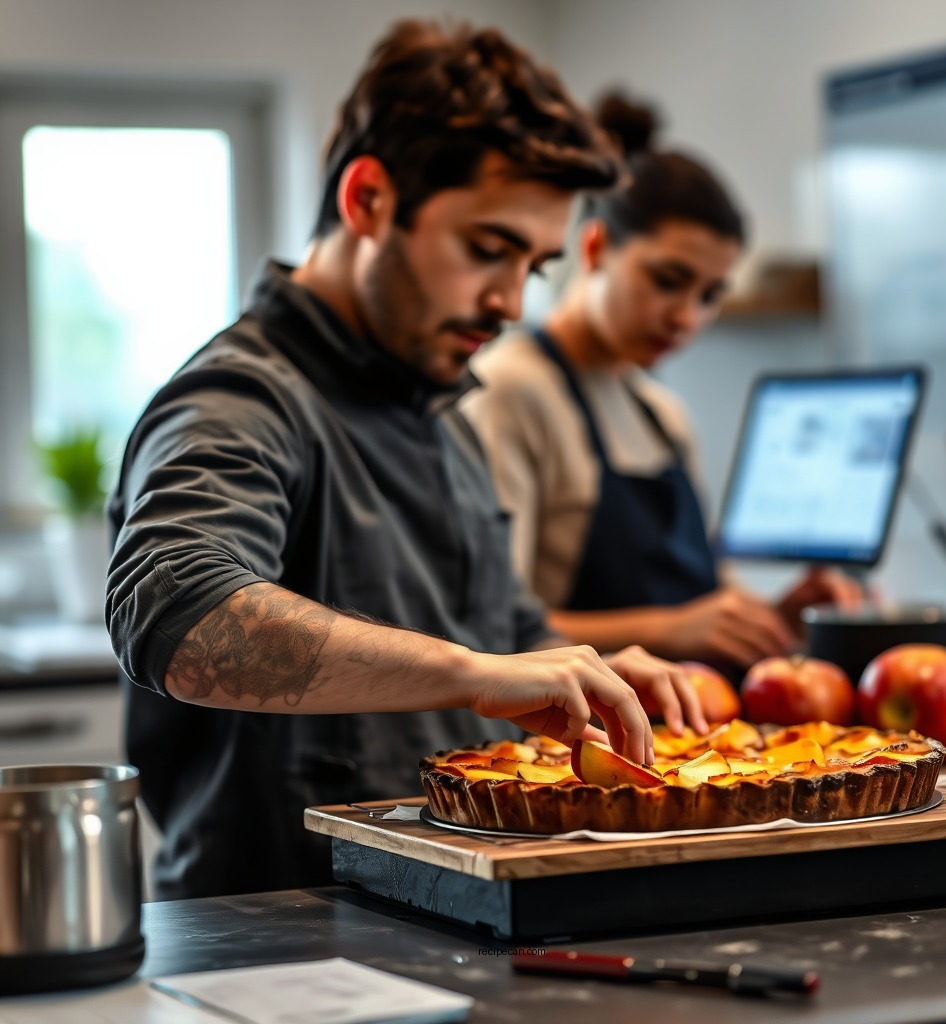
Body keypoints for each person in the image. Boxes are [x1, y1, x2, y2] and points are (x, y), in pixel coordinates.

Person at [105, 23, 707, 901]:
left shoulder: (443, 411)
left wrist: (589, 663)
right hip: (277, 948)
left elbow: (501, 632)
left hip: (441, 927)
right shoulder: (242, 399)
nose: (508, 301)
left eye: (531, 266)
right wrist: (477, 674)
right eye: (487, 248)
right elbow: (177, 613)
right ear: (369, 200)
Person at [462, 94, 860, 673]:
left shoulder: (662, 413)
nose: (687, 318)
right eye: (668, 280)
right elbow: (493, 628)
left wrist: (774, 615)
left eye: (710, 296)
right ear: (595, 247)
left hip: (700, 740)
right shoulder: (510, 392)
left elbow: (707, 604)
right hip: (582, 748)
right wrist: (669, 631)